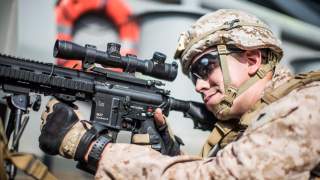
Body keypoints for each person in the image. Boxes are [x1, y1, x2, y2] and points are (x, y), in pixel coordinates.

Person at [39, 9, 320, 179]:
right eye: (193, 76)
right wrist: (172, 155)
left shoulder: (305, 106)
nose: (198, 85)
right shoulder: (257, 119)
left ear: (252, 60)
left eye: (205, 66)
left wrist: (95, 148)